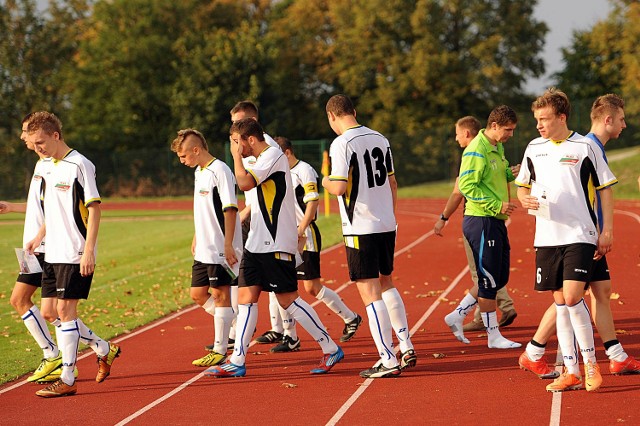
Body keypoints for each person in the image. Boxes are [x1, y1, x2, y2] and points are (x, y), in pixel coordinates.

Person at [205, 118, 344, 377]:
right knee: (246, 299)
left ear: (250, 140)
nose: (235, 147)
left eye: (237, 142)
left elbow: (245, 183)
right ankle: (237, 360)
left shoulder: (272, 156)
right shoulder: (258, 160)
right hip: (257, 243)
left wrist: (236, 157)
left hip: (276, 242)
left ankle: (330, 347)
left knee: (289, 300)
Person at [518, 93, 639, 380]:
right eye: (621, 119)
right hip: (566, 236)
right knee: (570, 296)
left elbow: (603, 190)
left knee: (596, 291)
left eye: (543, 119)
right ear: (607, 120)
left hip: (583, 235)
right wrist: (524, 198)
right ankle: (540, 352)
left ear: (561, 117)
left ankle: (611, 355)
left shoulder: (587, 147)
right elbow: (524, 185)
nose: (624, 124)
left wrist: (604, 230)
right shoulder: (545, 147)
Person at [24, 111, 120, 397]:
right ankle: (104, 348)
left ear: (55, 135)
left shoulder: (80, 164)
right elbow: (52, 212)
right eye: (34, 143)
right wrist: (38, 238)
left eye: (41, 141)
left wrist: (89, 250)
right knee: (48, 312)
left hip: (75, 250)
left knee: (66, 312)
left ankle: (67, 379)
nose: (38, 147)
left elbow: (94, 208)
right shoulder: (48, 166)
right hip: (52, 250)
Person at [322, 94, 416, 378]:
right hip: (386, 223)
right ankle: (405, 344)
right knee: (387, 282)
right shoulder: (380, 138)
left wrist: (323, 179)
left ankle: (388, 359)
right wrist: (391, 215)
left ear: (332, 117)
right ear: (354, 111)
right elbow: (392, 182)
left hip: (360, 226)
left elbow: (338, 187)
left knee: (368, 290)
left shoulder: (341, 143)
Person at [273, 136, 363, 351]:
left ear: (286, 153)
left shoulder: (304, 170)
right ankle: (290, 336)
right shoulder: (280, 173)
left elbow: (313, 202)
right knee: (283, 284)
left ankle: (350, 317)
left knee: (311, 287)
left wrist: (301, 228)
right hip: (286, 236)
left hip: (305, 235)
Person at [443, 106, 521, 349]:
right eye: (508, 130)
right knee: (488, 280)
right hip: (482, 220)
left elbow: (491, 176)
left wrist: (510, 173)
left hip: (494, 220)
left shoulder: (497, 146)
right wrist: (497, 204)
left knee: (498, 277)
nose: (511, 134)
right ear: (495, 126)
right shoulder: (476, 149)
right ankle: (493, 335)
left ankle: (456, 314)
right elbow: (467, 186)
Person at [0, 113, 66, 384]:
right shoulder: (41, 164)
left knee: (25, 301)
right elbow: (39, 207)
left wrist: (40, 237)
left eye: (26, 131)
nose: (22, 137)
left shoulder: (54, 165)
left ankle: (55, 354)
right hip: (33, 246)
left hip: (44, 247)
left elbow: (58, 210)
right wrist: (11, 207)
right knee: (30, 304)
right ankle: (90, 348)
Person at [171, 129, 242, 368]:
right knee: (197, 294)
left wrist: (228, 243)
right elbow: (206, 211)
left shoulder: (220, 170)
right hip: (204, 246)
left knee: (220, 294)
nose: (181, 161)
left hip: (220, 246)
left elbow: (230, 209)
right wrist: (196, 236)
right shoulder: (200, 172)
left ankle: (221, 349)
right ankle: (235, 324)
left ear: (196, 150)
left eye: (183, 156)